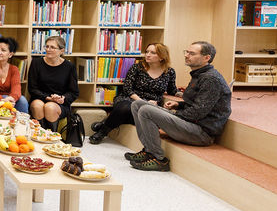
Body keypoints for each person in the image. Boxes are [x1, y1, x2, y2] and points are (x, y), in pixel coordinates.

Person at [126, 41, 231, 172]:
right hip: (190, 124)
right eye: (186, 52)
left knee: (146, 110)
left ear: (206, 58)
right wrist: (178, 104)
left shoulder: (211, 79)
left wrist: (173, 114)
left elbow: (198, 112)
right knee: (137, 104)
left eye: (192, 53)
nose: (186, 55)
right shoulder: (199, 74)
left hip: (201, 133)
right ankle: (148, 150)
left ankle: (158, 158)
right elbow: (197, 104)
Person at [89, 42, 177, 144]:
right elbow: (127, 88)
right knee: (126, 108)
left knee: (138, 115)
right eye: (147, 52)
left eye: (153, 53)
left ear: (162, 57)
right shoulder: (137, 67)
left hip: (151, 104)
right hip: (130, 98)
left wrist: (184, 94)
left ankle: (105, 124)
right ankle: (102, 133)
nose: (148, 55)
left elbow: (172, 90)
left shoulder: (169, 72)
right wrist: (142, 101)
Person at [27, 34, 79, 131]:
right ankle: (39, 134)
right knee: (37, 106)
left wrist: (62, 98)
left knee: (50, 107)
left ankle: (52, 135)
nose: (48, 49)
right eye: (47, 46)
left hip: (60, 103)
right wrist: (48, 98)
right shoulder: (36, 63)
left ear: (61, 51)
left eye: (52, 47)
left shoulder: (69, 67)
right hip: (40, 98)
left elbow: (74, 92)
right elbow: (32, 88)